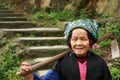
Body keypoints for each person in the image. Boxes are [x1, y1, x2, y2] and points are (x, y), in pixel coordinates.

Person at [17, 19, 112, 80]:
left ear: (90, 41)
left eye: (83, 39)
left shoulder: (99, 63)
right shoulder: (62, 63)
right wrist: (30, 77)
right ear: (69, 42)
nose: (79, 43)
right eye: (74, 39)